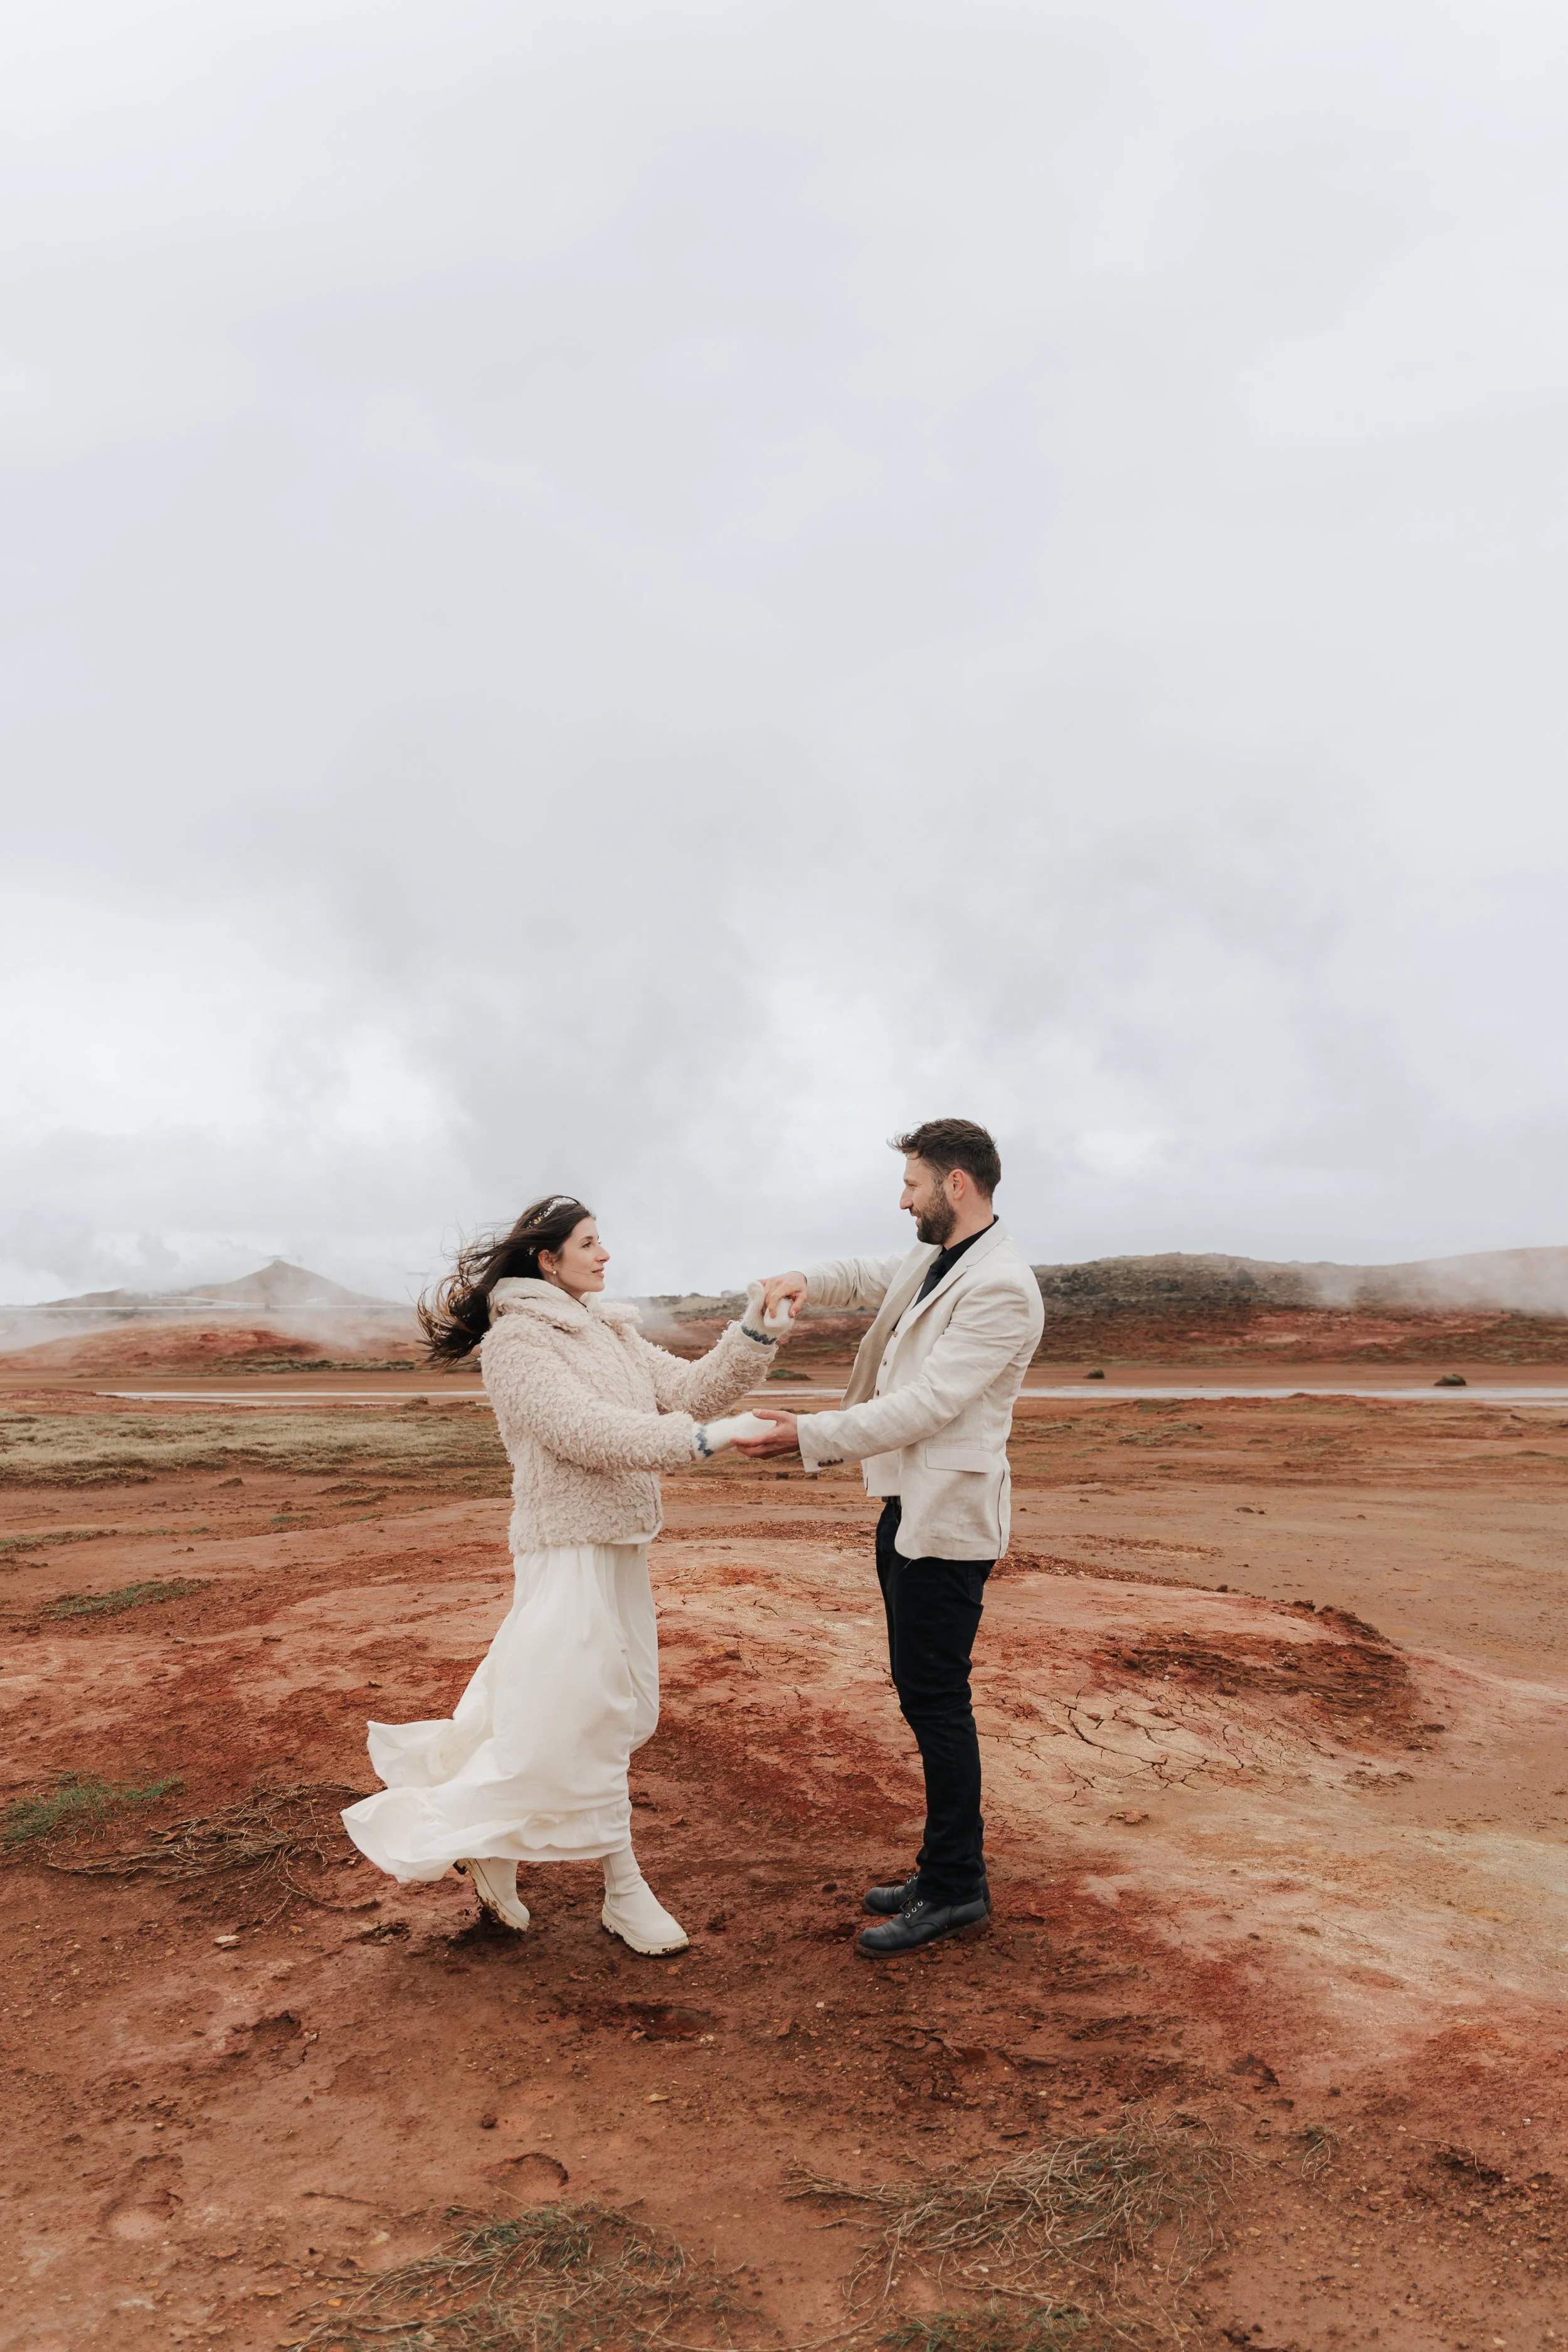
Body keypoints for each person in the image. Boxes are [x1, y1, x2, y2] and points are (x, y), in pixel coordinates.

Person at [341, 1194, 790, 1954]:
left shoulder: (608, 1329)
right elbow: (581, 1433)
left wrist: (754, 1332)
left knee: (587, 1712)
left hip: (618, 1543)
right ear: (548, 1262)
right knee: (595, 1717)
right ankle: (623, 1891)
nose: (605, 1254)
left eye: (602, 1240)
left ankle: (492, 1841)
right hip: (564, 1548)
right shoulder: (517, 1343)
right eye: (589, 1243)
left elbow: (686, 1394)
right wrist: (710, 1441)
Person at [740, 1118, 1044, 1955]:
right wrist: (803, 1274)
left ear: (956, 1184)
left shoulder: (1002, 1286)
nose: (900, 1197)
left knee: (938, 1703)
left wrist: (809, 1435)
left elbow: (929, 1404)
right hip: (908, 1506)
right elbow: (861, 1271)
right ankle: (942, 1863)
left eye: (911, 1183)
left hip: (948, 1522)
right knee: (922, 1695)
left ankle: (957, 1888)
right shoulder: (937, 1256)